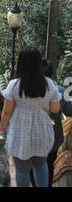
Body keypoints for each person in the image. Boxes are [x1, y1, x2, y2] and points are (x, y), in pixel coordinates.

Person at [0, 46, 61, 187]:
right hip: (42, 131)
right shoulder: (50, 85)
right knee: (41, 165)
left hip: (19, 132)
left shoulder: (14, 85)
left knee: (22, 170)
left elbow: (7, 111)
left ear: (21, 63)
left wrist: (2, 129)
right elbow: (55, 109)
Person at [29, 59, 72, 187]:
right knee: (49, 164)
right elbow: (69, 111)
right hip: (53, 137)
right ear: (52, 74)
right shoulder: (59, 90)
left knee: (33, 165)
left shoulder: (28, 90)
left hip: (34, 136)